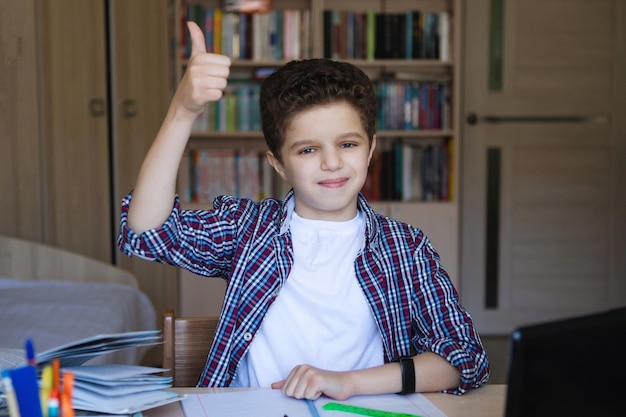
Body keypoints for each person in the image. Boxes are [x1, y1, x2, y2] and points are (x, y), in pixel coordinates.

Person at [117, 21, 489, 400]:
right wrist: (183, 111)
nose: (332, 163)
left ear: (371, 148)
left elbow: (465, 359)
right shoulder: (247, 229)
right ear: (278, 163)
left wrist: (348, 382)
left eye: (347, 144)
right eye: (308, 149)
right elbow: (148, 232)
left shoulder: (406, 248)